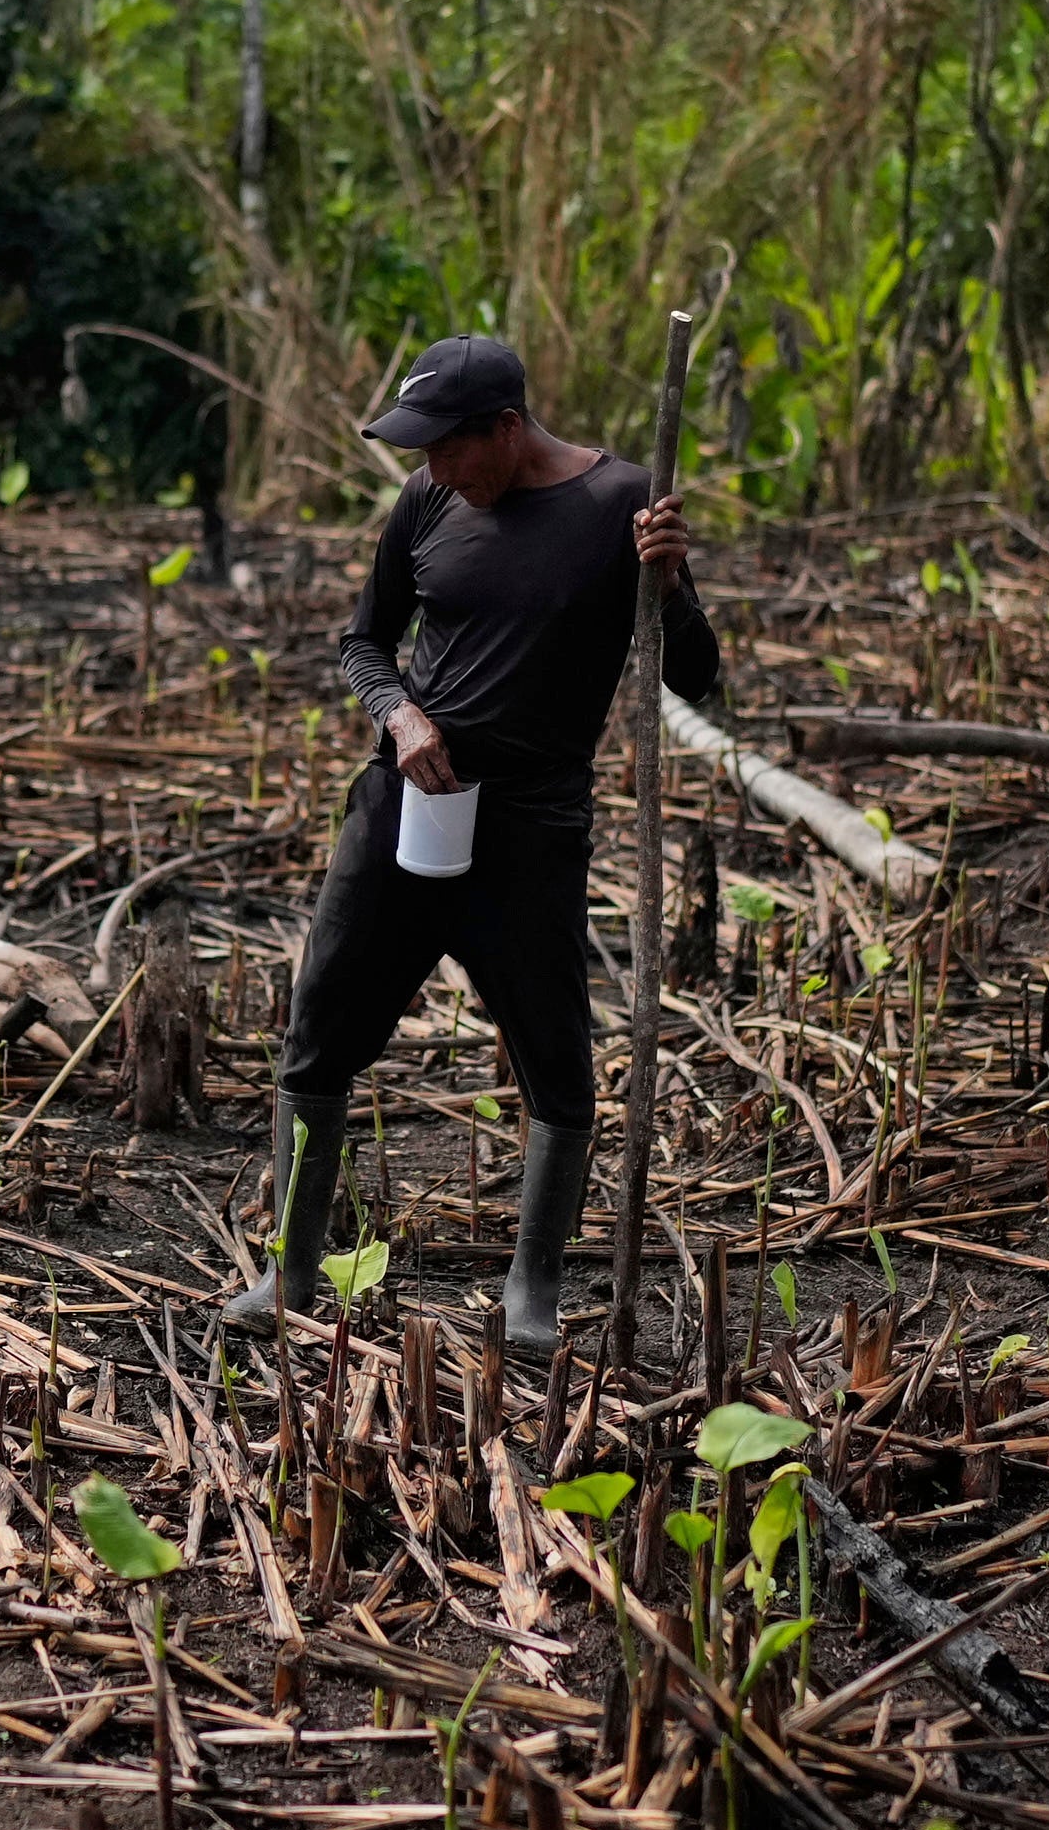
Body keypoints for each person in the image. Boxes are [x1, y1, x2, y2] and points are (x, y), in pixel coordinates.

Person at [228, 332, 719, 1354]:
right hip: (406, 800)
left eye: (446, 449)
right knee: (320, 1025)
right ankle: (292, 1271)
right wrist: (399, 719)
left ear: (505, 430)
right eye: (420, 453)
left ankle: (532, 1292)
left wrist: (667, 588)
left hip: (533, 827)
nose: (431, 470)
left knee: (555, 1055)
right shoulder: (429, 503)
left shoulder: (621, 508)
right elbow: (365, 641)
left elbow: (695, 679)